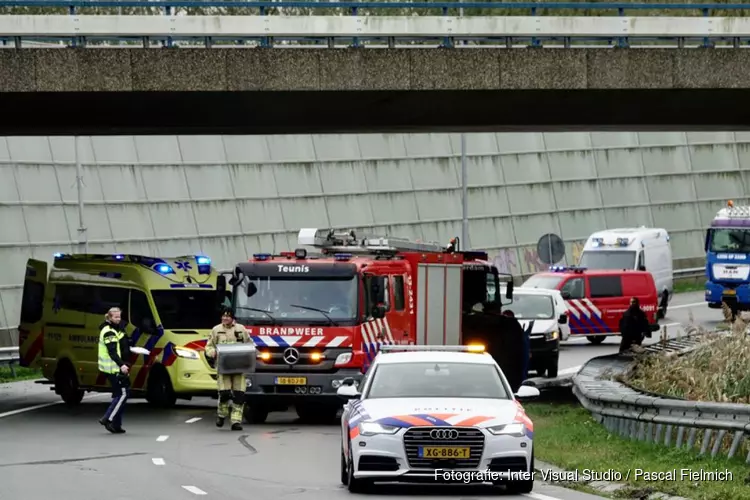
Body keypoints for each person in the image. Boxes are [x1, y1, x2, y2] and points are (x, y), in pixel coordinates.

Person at [205, 308, 251, 430]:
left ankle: (236, 421)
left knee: (239, 395)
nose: (225, 318)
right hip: (223, 367)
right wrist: (212, 352)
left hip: (239, 367)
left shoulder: (241, 329)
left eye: (228, 316)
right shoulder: (216, 330)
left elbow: (249, 344)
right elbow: (208, 346)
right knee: (224, 394)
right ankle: (221, 414)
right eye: (223, 316)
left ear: (233, 318)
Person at [98, 307, 131, 434]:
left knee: (120, 394)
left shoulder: (116, 330)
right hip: (113, 368)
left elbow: (121, 344)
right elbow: (112, 351)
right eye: (116, 317)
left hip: (115, 368)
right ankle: (108, 418)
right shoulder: (109, 332)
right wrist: (122, 365)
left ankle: (116, 425)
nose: (118, 319)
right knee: (123, 394)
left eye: (119, 317)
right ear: (109, 318)